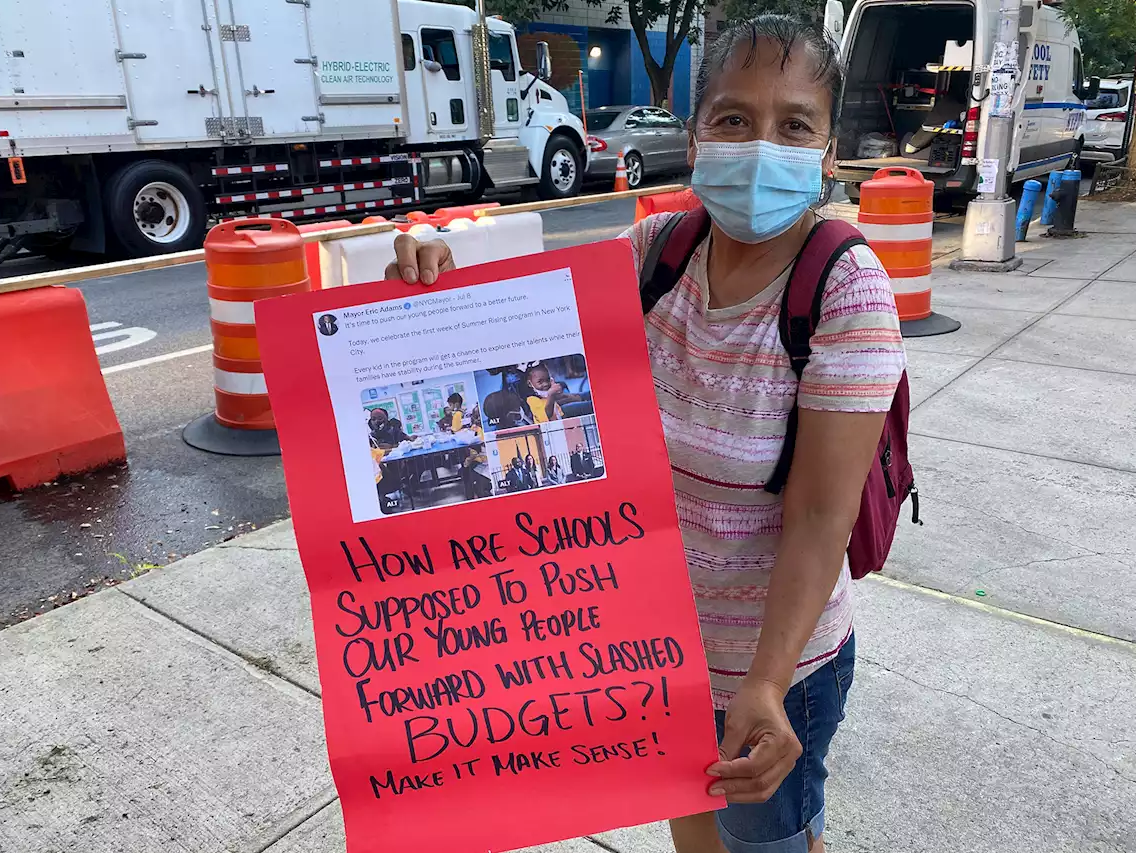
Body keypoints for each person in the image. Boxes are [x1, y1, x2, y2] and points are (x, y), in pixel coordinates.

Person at [382, 16, 906, 853]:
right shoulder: (656, 251)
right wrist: (434, 280)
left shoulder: (847, 292)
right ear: (696, 137)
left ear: (828, 152)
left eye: (794, 124)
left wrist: (765, 685)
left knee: (769, 843)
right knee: (695, 838)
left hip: (773, 674)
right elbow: (513, 334)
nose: (761, 145)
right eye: (733, 118)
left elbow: (818, 517)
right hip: (648, 657)